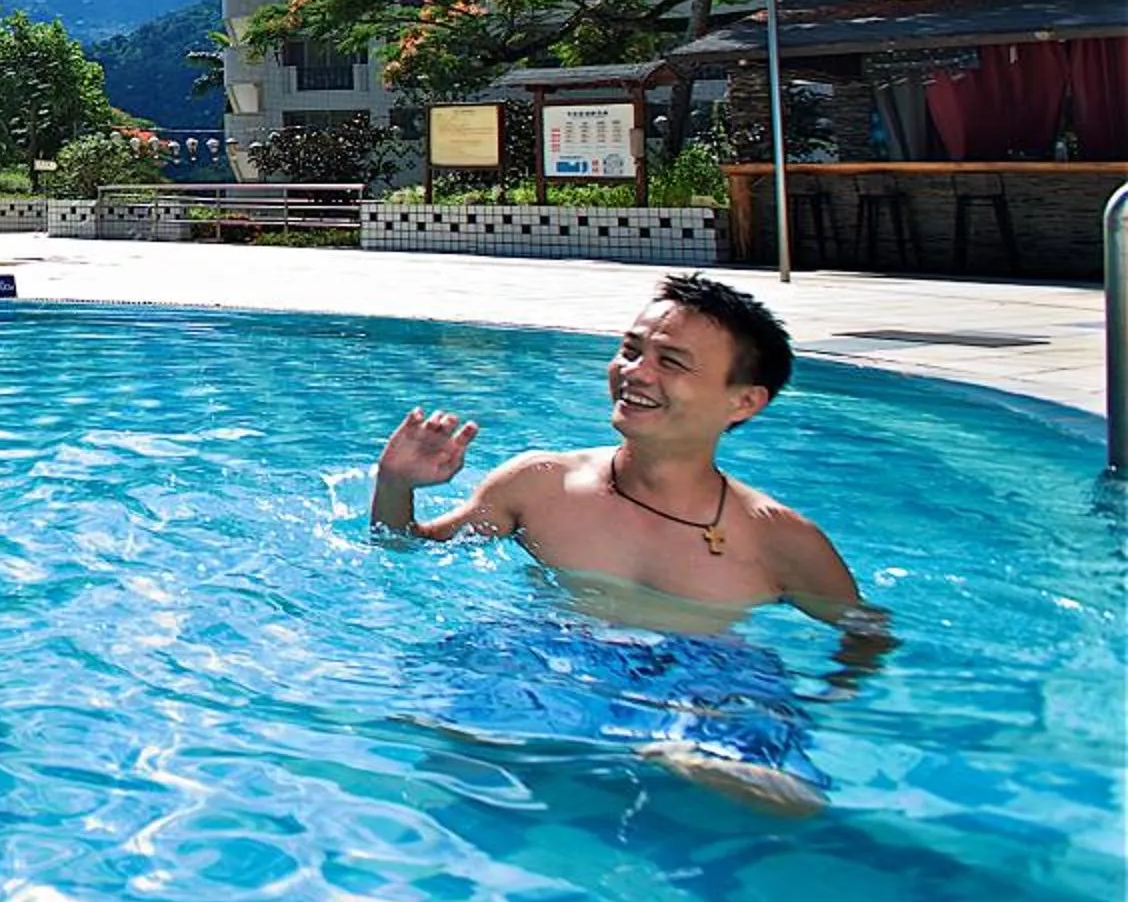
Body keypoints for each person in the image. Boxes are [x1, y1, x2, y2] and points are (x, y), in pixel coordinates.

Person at [375, 271, 892, 811]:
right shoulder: (542, 483)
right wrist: (395, 485)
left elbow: (866, 630)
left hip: (704, 681)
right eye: (630, 350)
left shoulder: (776, 538)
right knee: (424, 726)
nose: (634, 373)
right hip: (552, 657)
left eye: (670, 362)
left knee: (787, 803)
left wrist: (826, 698)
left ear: (743, 402)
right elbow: (404, 549)